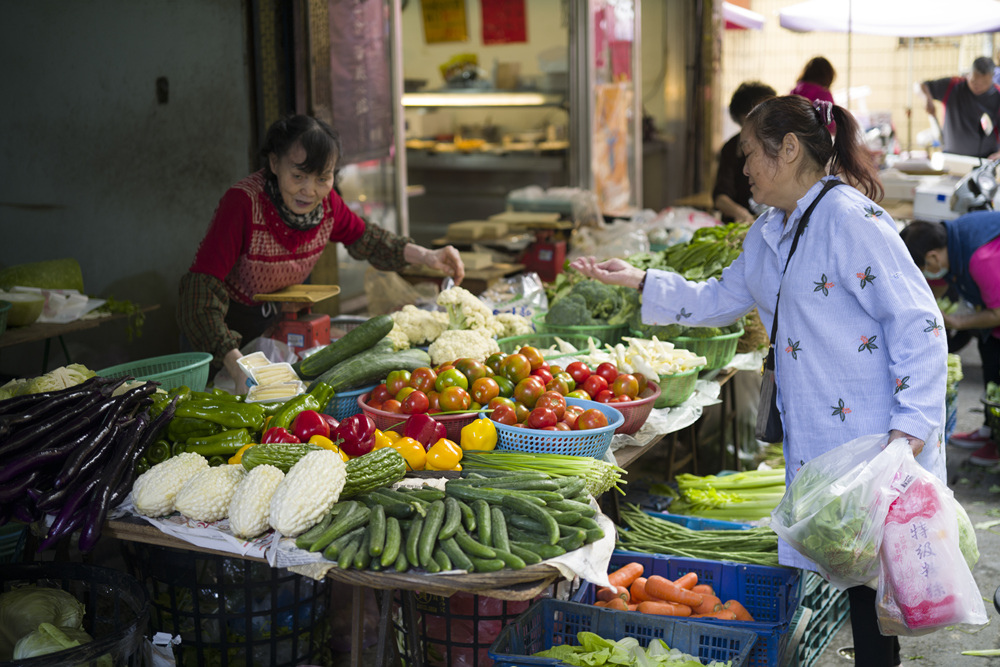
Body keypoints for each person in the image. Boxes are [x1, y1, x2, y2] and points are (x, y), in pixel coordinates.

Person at [572, 95, 947, 667]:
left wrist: (911, 427)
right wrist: (641, 279)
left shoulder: (852, 221)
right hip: (821, 438)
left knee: (873, 587)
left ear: (788, 150)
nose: (743, 167)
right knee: (857, 578)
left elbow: (919, 321)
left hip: (873, 438)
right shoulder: (770, 230)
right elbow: (715, 299)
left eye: (750, 153)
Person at [177, 114, 464, 392]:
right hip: (222, 338)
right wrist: (235, 361)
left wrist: (428, 257)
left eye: (322, 178)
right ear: (275, 163)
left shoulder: (328, 206)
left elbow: (370, 239)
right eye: (298, 175)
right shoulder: (242, 204)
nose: (309, 191)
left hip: (276, 330)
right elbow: (200, 292)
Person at [900, 213, 1000, 464]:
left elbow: (998, 312)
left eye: (924, 269)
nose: (928, 275)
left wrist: (955, 321)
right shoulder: (953, 242)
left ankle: (996, 447)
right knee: (992, 366)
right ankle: (989, 433)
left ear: (932, 256)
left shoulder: (980, 258)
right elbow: (941, 284)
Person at [713, 81, 777, 223]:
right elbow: (720, 196)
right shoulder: (732, 147)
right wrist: (741, 213)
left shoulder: (780, 144)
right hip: (742, 226)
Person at [921, 57, 1000, 158]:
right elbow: (922, 85)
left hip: (985, 161)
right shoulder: (953, 86)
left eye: (984, 83)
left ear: (992, 78)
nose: (978, 87)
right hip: (951, 157)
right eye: (974, 82)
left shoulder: (997, 95)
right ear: (969, 74)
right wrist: (927, 99)